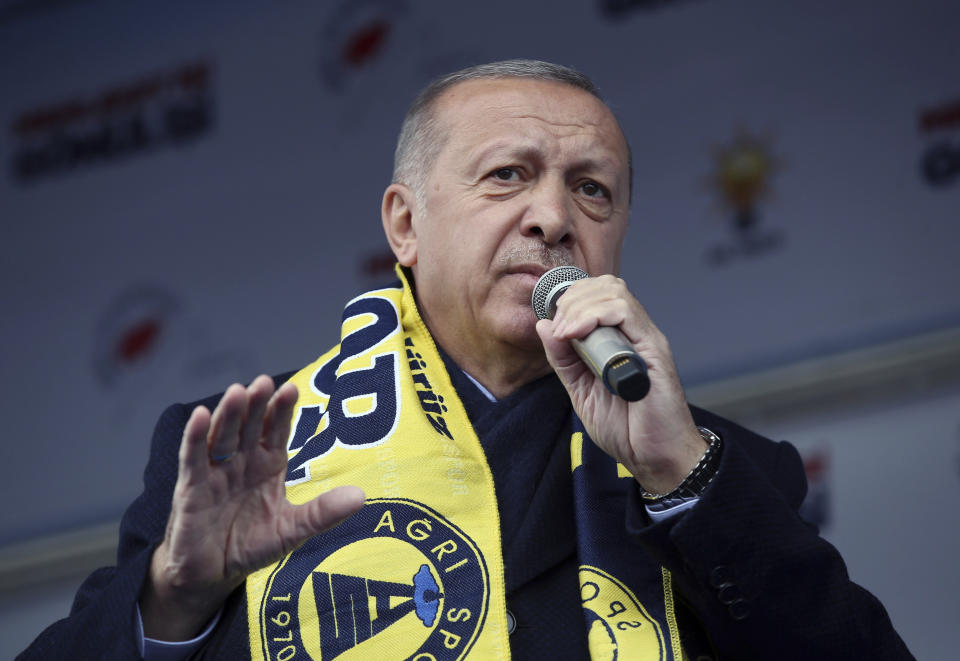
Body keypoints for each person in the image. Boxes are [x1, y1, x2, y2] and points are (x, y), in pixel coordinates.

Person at [21, 60, 913, 660]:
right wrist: (174, 602)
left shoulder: (717, 467)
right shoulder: (246, 448)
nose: (553, 217)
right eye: (507, 176)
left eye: (590, 188)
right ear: (404, 224)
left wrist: (678, 474)